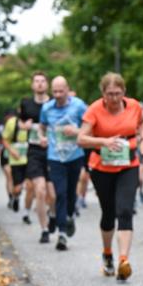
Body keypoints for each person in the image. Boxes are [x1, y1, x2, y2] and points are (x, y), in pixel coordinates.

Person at [78, 72, 143, 282]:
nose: (114, 98)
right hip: (101, 168)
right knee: (108, 213)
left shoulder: (134, 106)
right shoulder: (95, 110)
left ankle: (123, 260)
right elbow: (81, 139)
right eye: (110, 94)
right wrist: (104, 142)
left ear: (124, 92)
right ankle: (108, 253)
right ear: (103, 94)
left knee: (125, 210)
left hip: (128, 165)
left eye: (118, 93)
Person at [40, 77, 87, 251]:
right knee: (59, 193)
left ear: (68, 89)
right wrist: (42, 137)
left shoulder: (79, 106)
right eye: (55, 92)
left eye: (61, 91)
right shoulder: (47, 108)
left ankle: (69, 216)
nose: (58, 95)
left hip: (75, 155)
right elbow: (42, 127)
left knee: (70, 193)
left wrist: (77, 131)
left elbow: (90, 126)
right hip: (55, 156)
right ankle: (62, 233)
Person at [19, 73, 56, 235]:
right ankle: (44, 228)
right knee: (39, 190)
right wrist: (24, 126)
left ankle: (53, 214)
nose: (39, 84)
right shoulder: (26, 103)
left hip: (53, 150)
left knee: (53, 195)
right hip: (34, 151)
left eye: (42, 81)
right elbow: (20, 123)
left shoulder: (54, 103)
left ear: (47, 84)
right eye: (36, 81)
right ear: (32, 85)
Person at [1, 108, 28, 212]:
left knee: (25, 183)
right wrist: (12, 151)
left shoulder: (33, 122)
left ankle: (17, 196)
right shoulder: (11, 123)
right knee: (9, 176)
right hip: (9, 155)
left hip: (27, 157)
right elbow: (4, 139)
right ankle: (11, 197)